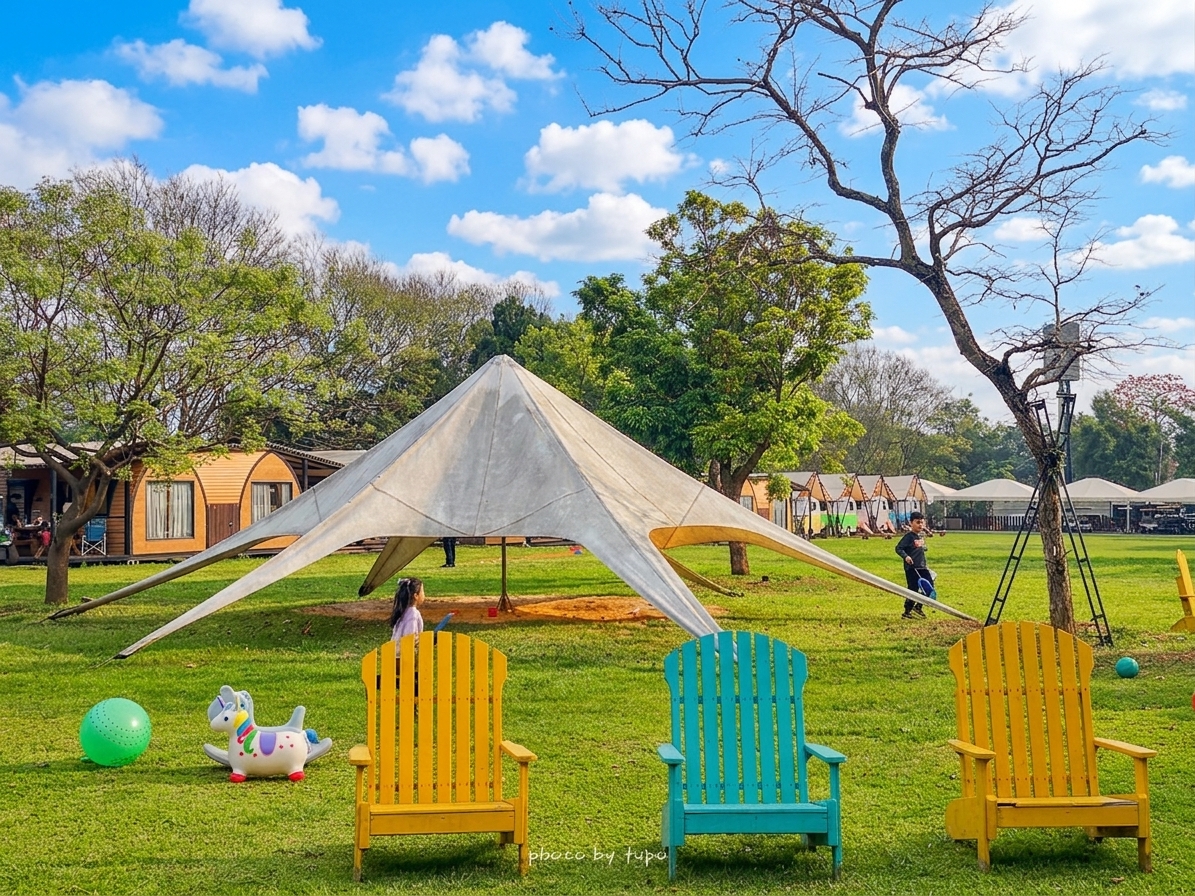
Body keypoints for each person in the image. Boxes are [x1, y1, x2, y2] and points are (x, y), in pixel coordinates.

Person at [895, 511, 930, 619]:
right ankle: (907, 611)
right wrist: (906, 557)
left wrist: (923, 547)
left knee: (929, 587)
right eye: (917, 522)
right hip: (912, 568)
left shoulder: (919, 536)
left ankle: (918, 607)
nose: (920, 525)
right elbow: (898, 548)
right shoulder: (909, 537)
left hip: (922, 566)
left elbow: (920, 548)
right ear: (911, 523)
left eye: (922, 523)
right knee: (913, 589)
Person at [389, 576, 425, 648]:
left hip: (395, 652)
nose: (424, 594)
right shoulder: (413, 614)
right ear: (416, 596)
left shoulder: (403, 611)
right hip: (405, 654)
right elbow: (409, 636)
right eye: (423, 591)